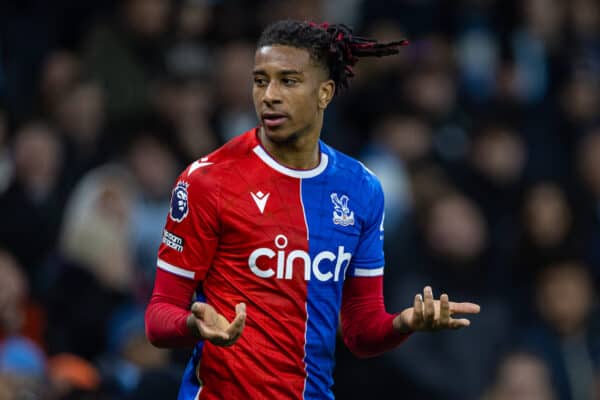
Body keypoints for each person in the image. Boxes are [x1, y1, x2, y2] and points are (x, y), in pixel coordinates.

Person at [145, 19, 481, 399]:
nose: (269, 95)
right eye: (260, 80)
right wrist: (193, 324)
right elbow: (159, 315)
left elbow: (360, 331)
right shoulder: (207, 180)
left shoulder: (361, 189)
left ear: (324, 93)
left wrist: (403, 323)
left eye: (288, 81)